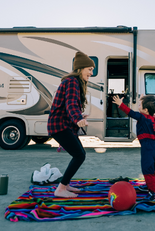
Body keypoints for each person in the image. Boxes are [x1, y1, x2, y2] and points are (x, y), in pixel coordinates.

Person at [47, 51, 94, 198]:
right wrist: (77, 118)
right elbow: (71, 104)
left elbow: (70, 105)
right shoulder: (72, 82)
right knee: (79, 155)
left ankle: (65, 185)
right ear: (80, 69)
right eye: (90, 69)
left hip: (62, 125)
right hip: (59, 126)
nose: (91, 73)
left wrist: (79, 116)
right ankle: (60, 189)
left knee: (79, 154)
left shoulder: (72, 82)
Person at [112, 94, 155, 201]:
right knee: (152, 169)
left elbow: (131, 113)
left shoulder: (142, 117)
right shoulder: (152, 117)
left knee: (147, 170)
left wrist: (121, 104)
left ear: (146, 110)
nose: (138, 107)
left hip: (147, 147)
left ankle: (154, 193)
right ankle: (150, 186)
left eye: (140, 105)